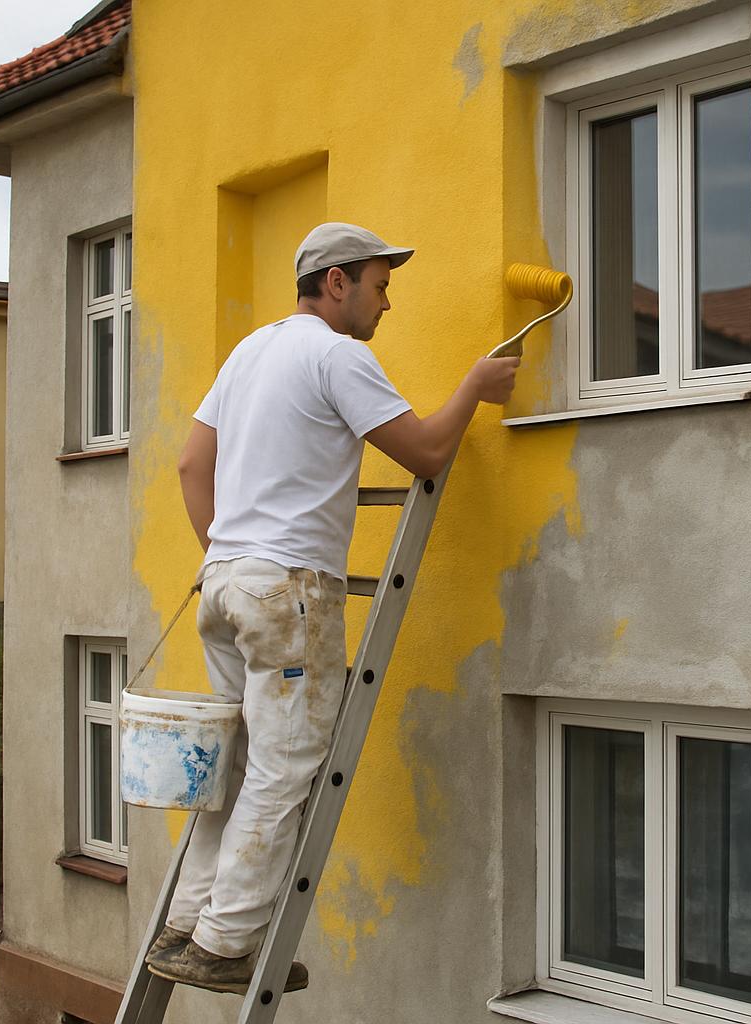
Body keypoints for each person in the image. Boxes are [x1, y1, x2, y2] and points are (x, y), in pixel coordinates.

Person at [146, 223, 519, 994]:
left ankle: (186, 925)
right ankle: (224, 942)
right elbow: (425, 452)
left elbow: (189, 465)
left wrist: (230, 554)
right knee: (284, 766)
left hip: (224, 581)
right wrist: (474, 389)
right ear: (337, 282)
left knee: (234, 765)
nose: (388, 303)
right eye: (381, 286)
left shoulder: (250, 352)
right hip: (287, 590)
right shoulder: (338, 355)